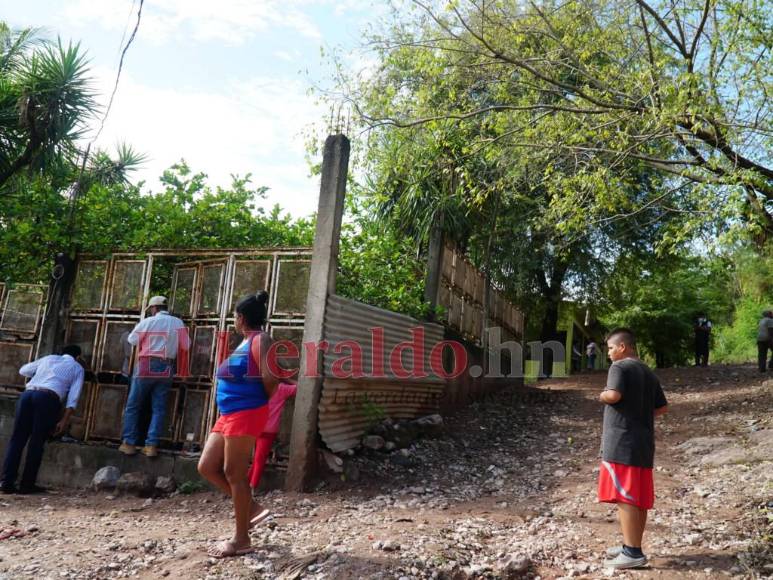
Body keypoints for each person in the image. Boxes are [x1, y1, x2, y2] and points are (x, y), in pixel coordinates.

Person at [197, 291, 280, 558]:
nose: (234, 319)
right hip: (229, 414)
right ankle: (253, 509)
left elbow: (272, 377)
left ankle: (241, 539)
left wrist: (258, 402)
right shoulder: (245, 342)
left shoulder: (261, 339)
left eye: (234, 315)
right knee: (207, 467)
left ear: (241, 318)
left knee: (234, 474)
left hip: (245, 412)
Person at [598, 328, 668, 570]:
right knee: (637, 497)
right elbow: (661, 408)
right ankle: (631, 544)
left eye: (609, 348)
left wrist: (603, 395)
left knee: (625, 497)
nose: (608, 353)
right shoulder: (648, 372)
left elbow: (615, 395)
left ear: (622, 347)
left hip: (622, 440)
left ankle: (633, 552)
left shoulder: (619, 367)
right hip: (643, 442)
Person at [1, 345, 85, 494]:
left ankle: (6, 482)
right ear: (78, 357)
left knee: (17, 439)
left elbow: (23, 370)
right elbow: (73, 398)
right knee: (37, 442)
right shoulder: (77, 368)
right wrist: (64, 421)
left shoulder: (49, 358)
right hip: (48, 399)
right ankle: (27, 484)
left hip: (27, 395)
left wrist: (42, 373)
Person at [119, 295, 188, 457]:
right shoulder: (178, 323)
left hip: (146, 364)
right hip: (167, 366)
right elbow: (186, 345)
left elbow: (132, 340)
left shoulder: (148, 322)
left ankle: (129, 443)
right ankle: (151, 446)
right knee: (159, 408)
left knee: (133, 405)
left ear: (154, 308)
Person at [249, 382, 297, 488]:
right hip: (269, 430)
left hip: (255, 427)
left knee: (256, 458)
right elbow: (301, 388)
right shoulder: (281, 388)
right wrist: (288, 379)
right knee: (259, 459)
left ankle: (248, 484)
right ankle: (252, 486)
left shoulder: (257, 386)